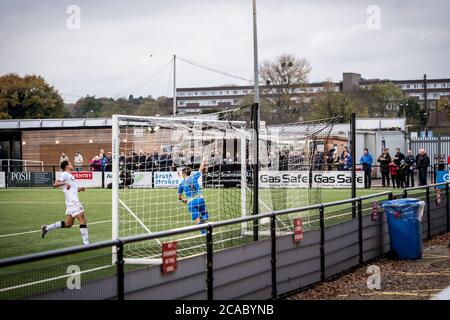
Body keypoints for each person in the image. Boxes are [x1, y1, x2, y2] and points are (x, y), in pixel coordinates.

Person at [41, 160, 89, 245]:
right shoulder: (65, 174)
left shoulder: (69, 175)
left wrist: (80, 189)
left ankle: (47, 228)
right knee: (82, 219)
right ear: (67, 166)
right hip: (73, 201)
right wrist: (65, 183)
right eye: (70, 164)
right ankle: (86, 243)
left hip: (70, 201)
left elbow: (72, 189)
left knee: (68, 224)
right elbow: (55, 184)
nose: (72, 165)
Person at [178, 160, 209, 234]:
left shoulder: (181, 184)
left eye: (182, 173)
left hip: (191, 202)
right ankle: (204, 218)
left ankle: (204, 233)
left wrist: (183, 200)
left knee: (197, 220)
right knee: (204, 213)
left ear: (184, 173)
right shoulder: (194, 177)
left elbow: (179, 197)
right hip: (200, 199)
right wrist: (203, 161)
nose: (182, 174)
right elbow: (201, 169)